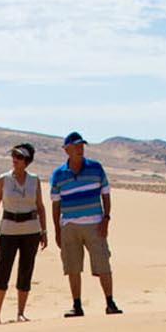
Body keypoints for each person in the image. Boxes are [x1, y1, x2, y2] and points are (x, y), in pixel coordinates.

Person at [49, 131, 120, 316]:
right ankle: (77, 305)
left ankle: (110, 302)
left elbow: (106, 194)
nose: (80, 149)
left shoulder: (96, 168)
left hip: (95, 224)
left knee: (102, 263)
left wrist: (106, 218)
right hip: (69, 225)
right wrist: (57, 230)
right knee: (72, 266)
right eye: (76, 146)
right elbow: (55, 204)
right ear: (67, 150)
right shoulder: (58, 174)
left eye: (82, 146)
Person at [0, 142, 48, 323]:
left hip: (31, 230)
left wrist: (44, 231)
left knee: (26, 270)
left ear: (27, 161)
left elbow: (40, 206)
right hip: (8, 230)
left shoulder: (34, 180)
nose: (15, 159)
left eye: (20, 157)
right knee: (2, 270)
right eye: (13, 155)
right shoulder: (3, 179)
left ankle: (20, 313)